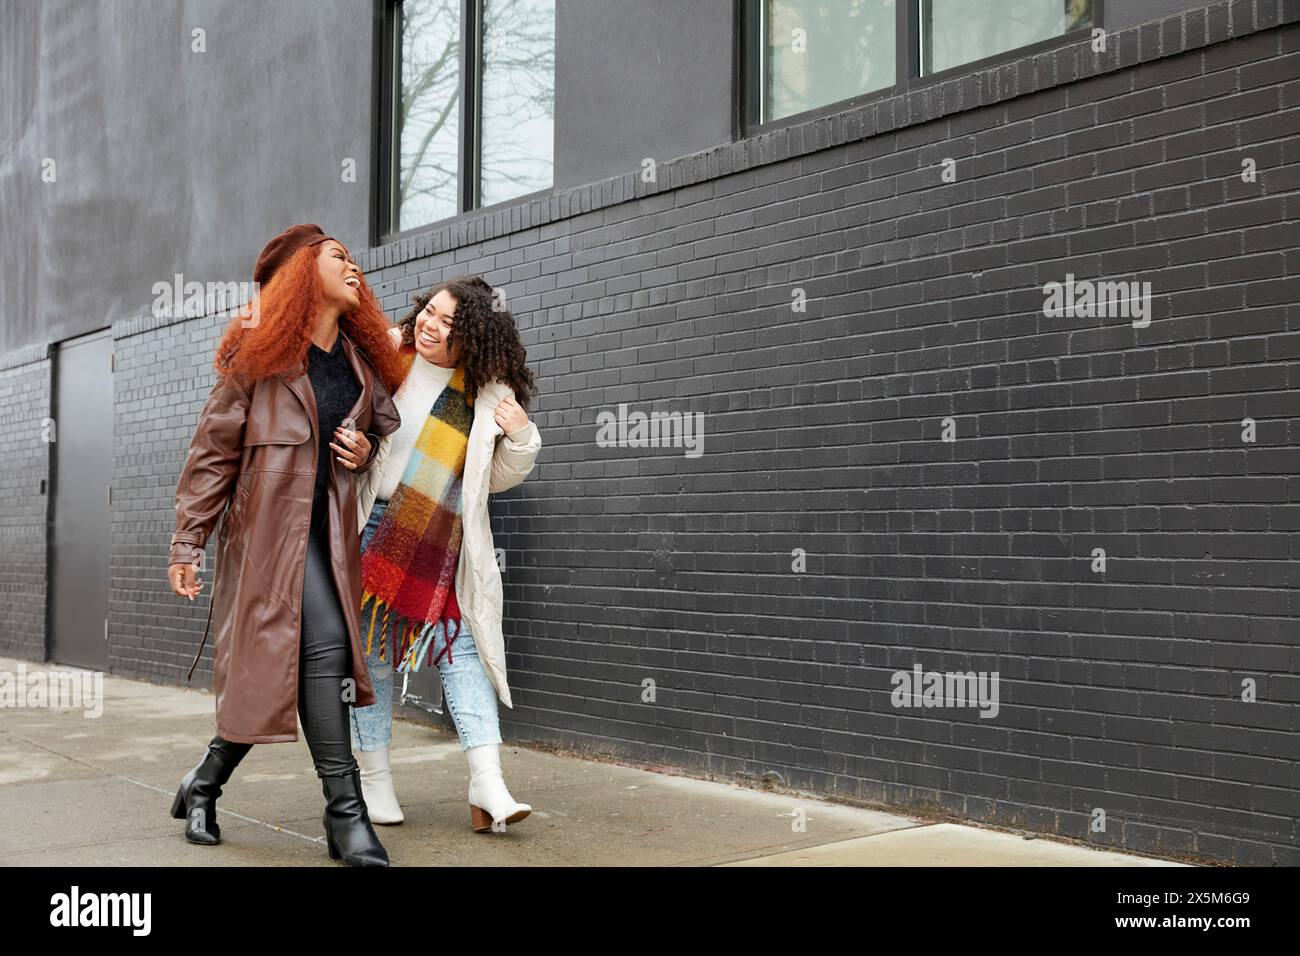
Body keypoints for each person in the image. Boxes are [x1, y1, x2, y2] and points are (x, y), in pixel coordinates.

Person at [166, 223, 408, 866]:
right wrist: (186, 543)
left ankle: (204, 782)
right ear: (303, 274)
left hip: (328, 539)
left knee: (281, 673)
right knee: (325, 652)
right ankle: (346, 817)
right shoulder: (259, 358)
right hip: (267, 542)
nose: (353, 267)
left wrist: (362, 448)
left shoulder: (358, 369)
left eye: (354, 259)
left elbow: (378, 440)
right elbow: (211, 456)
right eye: (337, 257)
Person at [350, 274, 541, 832]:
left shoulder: (488, 392)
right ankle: (375, 780)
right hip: (371, 525)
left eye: (448, 323)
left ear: (473, 339)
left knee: (462, 652)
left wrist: (524, 436)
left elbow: (494, 479)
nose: (430, 325)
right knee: (375, 657)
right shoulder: (385, 355)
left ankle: (489, 783)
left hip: (443, 537)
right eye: (429, 311)